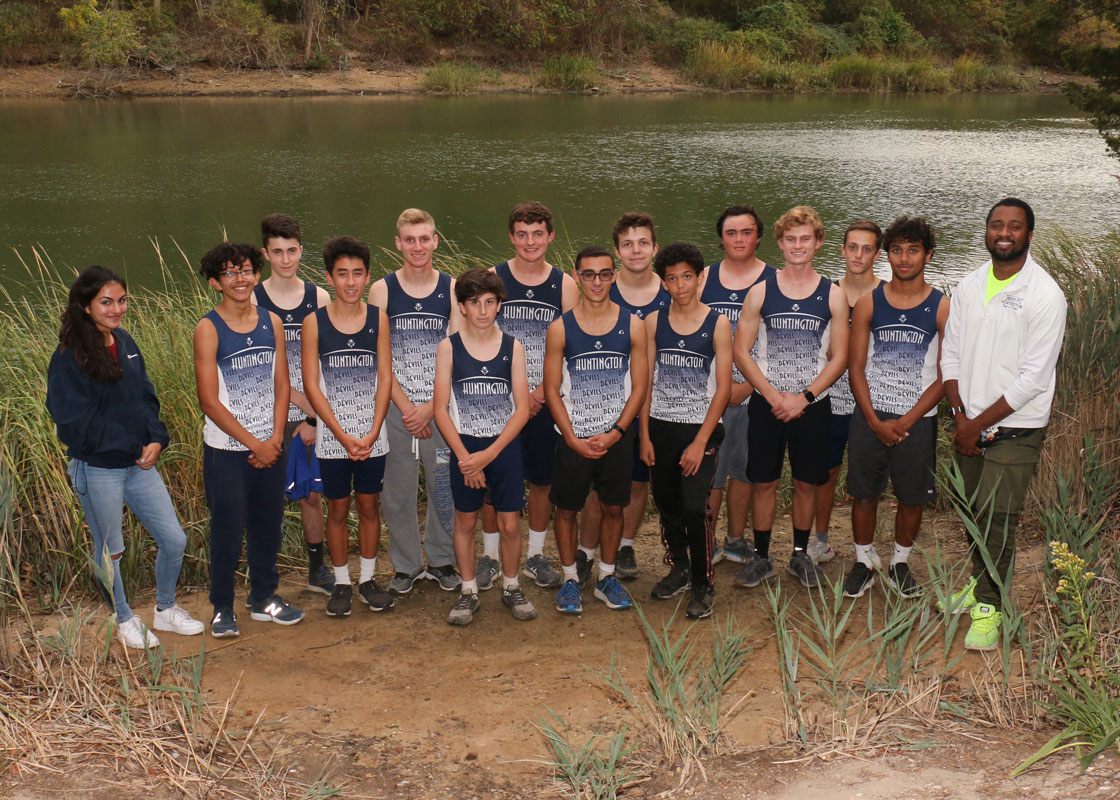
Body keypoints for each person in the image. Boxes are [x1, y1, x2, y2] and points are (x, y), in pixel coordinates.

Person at [46, 266, 204, 649]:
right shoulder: (69, 357)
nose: (117, 309)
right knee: (110, 551)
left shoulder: (125, 341)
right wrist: (133, 447)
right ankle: (124, 618)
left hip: (139, 466)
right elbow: (74, 421)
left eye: (121, 300)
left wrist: (156, 438)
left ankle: (165, 610)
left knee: (174, 539)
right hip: (98, 469)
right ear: (85, 306)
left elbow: (145, 397)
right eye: (106, 302)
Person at [940, 198, 1066, 651]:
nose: (1005, 233)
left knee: (998, 519)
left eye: (1015, 226)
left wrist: (976, 425)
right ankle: (980, 583)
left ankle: (990, 608)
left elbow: (1034, 378)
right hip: (967, 423)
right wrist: (959, 417)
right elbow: (950, 353)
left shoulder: (1045, 294)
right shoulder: (970, 284)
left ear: (1030, 234)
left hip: (1016, 428)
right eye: (997, 225)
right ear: (986, 231)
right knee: (973, 513)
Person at [733, 206, 848, 589]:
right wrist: (771, 395)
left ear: (818, 243)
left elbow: (841, 357)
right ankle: (762, 557)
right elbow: (741, 351)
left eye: (806, 239)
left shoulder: (833, 294)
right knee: (763, 481)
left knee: (806, 482)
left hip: (812, 405)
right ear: (780, 243)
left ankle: (800, 555)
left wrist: (805, 396)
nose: (798, 246)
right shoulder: (761, 292)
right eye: (790, 239)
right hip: (767, 404)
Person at [193, 242, 304, 638]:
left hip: (271, 445)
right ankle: (222, 605)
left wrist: (275, 438)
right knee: (226, 529)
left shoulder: (271, 322)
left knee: (267, 525)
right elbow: (208, 400)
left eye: (245, 271)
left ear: (257, 275)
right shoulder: (208, 328)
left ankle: (264, 598)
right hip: (227, 450)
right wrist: (252, 444)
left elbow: (282, 383)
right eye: (229, 273)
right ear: (215, 282)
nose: (239, 280)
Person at [843, 216, 948, 599]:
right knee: (864, 492)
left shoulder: (942, 307)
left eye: (913, 250)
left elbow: (944, 375)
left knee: (911, 496)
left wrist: (907, 420)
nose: (904, 259)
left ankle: (899, 563)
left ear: (928, 255)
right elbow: (855, 367)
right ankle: (863, 561)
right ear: (887, 255)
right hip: (871, 416)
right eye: (897, 250)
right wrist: (873, 419)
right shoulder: (870, 302)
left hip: (916, 421)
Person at [543, 246, 648, 614]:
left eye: (604, 273)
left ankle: (606, 576)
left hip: (615, 436)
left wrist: (618, 432)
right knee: (567, 509)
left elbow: (639, 387)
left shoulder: (633, 325)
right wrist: (571, 437)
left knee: (613, 508)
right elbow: (552, 389)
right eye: (589, 274)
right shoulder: (560, 328)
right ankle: (571, 578)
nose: (597, 281)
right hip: (573, 437)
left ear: (614, 275)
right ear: (577, 276)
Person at [481, 201, 578, 589]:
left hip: (544, 399)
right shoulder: (494, 276)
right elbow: (480, 335)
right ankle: (489, 556)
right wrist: (514, 392)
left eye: (538, 234)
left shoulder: (564, 284)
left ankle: (535, 554)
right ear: (511, 237)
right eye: (522, 234)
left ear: (550, 236)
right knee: (494, 480)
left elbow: (572, 344)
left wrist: (540, 392)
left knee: (541, 481)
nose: (530, 241)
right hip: (498, 398)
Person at [433, 269, 534, 625]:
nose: (482, 310)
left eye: (490, 302)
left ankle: (511, 586)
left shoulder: (513, 347)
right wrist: (465, 458)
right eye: (475, 303)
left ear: (499, 305)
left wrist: (489, 455)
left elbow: (522, 408)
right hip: (465, 448)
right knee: (465, 521)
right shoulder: (448, 347)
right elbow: (440, 409)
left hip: (502, 448)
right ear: (462, 306)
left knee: (508, 525)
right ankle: (468, 590)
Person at [302, 236, 394, 617]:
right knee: (337, 509)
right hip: (333, 437)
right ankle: (341, 582)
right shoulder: (314, 323)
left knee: (370, 507)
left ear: (368, 277)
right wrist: (341, 435)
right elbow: (311, 384)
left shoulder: (378, 319)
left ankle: (368, 580)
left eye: (358, 274)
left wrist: (371, 433)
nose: (351, 282)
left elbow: (386, 378)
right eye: (343, 274)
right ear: (329, 277)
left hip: (373, 434)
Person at [368, 209, 459, 595]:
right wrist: (408, 408)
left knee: (443, 486)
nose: (418, 247)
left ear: (435, 240)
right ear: (398, 243)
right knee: (398, 492)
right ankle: (406, 566)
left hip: (440, 406)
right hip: (396, 408)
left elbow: (457, 353)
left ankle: (442, 560)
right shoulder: (382, 290)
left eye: (424, 239)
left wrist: (430, 407)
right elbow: (379, 359)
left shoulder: (452, 289)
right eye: (410, 239)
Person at [641, 242, 732, 620]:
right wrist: (644, 435)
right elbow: (646, 382)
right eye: (672, 278)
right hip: (661, 426)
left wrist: (699, 441)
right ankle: (678, 565)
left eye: (687, 276)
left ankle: (702, 581)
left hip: (701, 428)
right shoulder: (653, 322)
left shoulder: (718, 323)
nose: (680, 285)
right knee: (668, 504)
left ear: (701, 277)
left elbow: (724, 387)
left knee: (696, 507)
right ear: (663, 283)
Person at [577, 212, 667, 583]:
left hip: (660, 402)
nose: (636, 250)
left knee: (637, 480)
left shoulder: (672, 288)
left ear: (654, 247)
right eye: (627, 244)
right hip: (606, 403)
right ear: (616, 251)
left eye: (643, 242)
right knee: (596, 484)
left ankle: (626, 544)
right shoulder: (601, 288)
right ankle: (585, 551)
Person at [253, 214, 332, 595]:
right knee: (266, 498)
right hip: (267, 412)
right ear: (266, 253)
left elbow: (326, 363)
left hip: (308, 414)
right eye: (277, 252)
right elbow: (255, 363)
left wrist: (314, 415)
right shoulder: (252, 297)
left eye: (292, 251)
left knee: (311, 495)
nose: (286, 259)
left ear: (302, 250)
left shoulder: (319, 297)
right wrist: (295, 403)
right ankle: (264, 578)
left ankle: (317, 569)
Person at [700, 205, 775, 567]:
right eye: (731, 233)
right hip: (709, 393)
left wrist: (747, 385)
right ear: (721, 239)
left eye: (746, 232)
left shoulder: (774, 280)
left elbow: (781, 343)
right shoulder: (703, 278)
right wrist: (718, 386)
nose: (739, 239)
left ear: (758, 236)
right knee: (712, 470)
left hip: (755, 392)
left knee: (744, 469)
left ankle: (735, 539)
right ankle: (707, 539)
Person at [810, 220, 883, 565]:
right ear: (842, 250)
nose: (858, 255)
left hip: (873, 398)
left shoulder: (885, 295)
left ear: (877, 254)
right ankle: (820, 539)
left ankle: (865, 546)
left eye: (867, 249)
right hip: (833, 397)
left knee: (869, 474)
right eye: (852, 247)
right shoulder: (828, 292)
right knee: (827, 471)